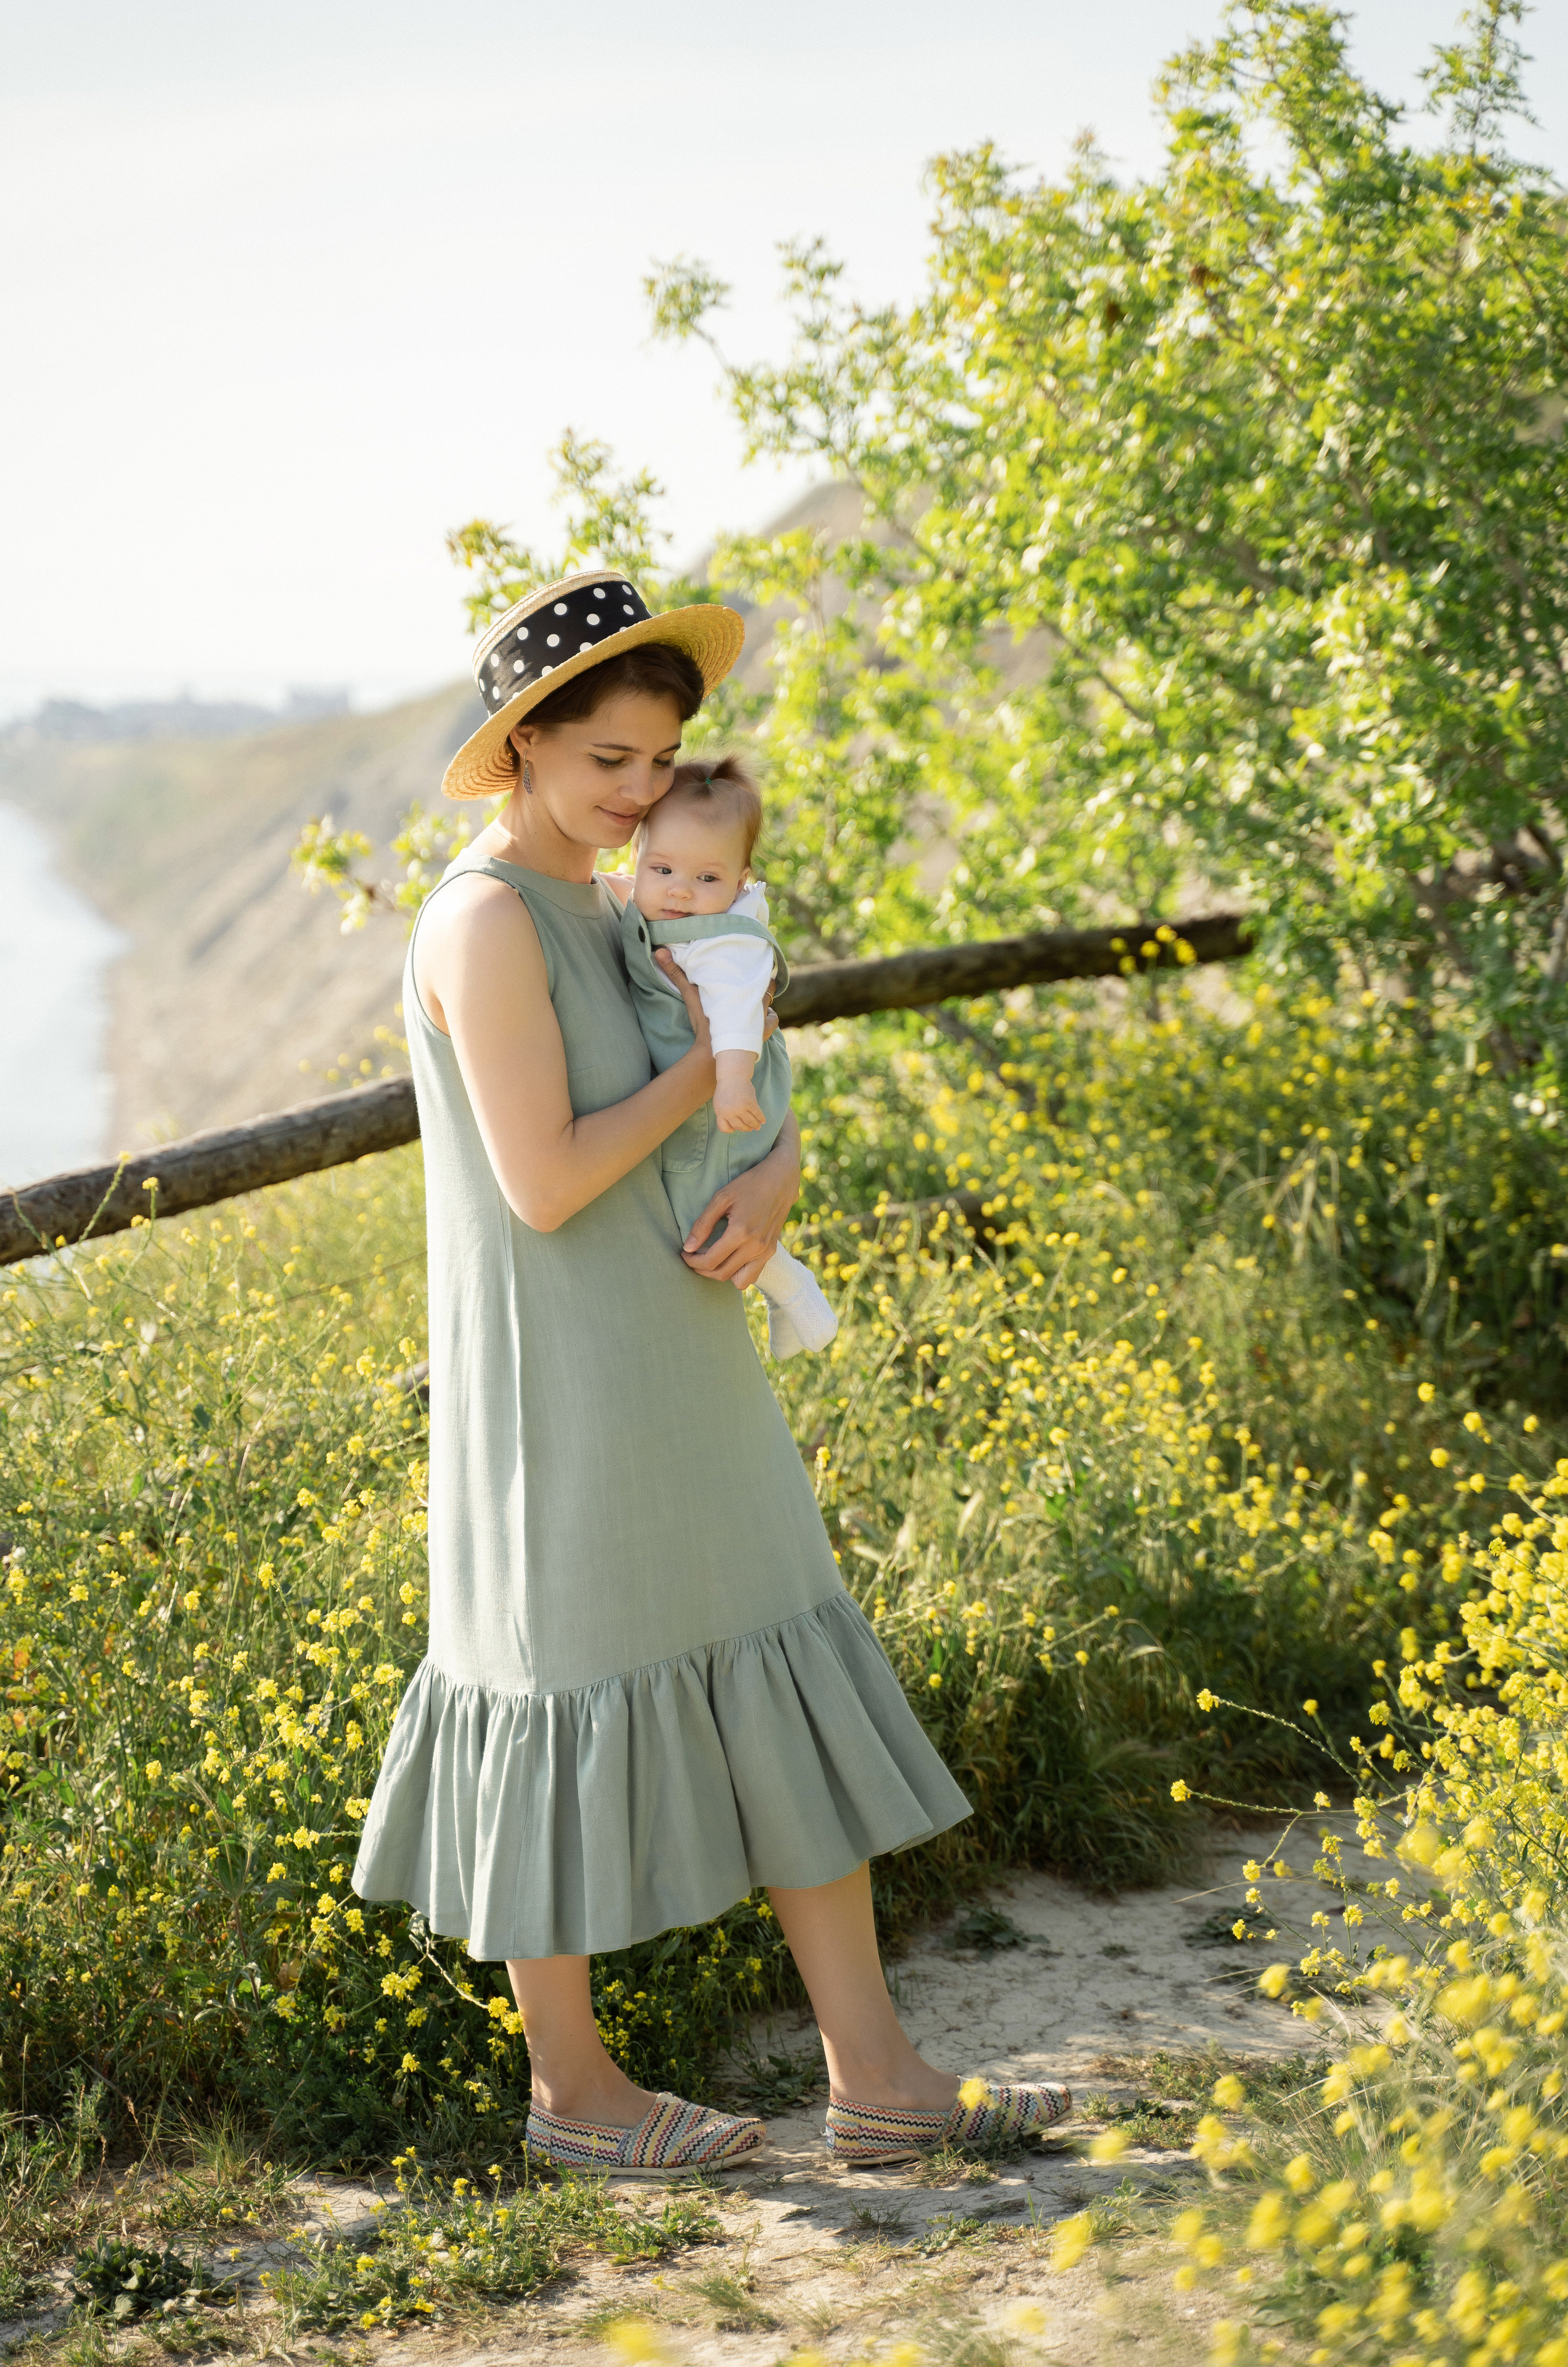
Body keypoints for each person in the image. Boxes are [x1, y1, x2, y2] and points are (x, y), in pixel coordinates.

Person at [351, 568, 1070, 2171]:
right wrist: (705, 1073)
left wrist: (780, 1169)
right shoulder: (482, 920)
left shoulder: (628, 897)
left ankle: (877, 2080)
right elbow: (542, 1180)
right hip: (567, 1383)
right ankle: (575, 2100)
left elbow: (752, 1093)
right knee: (542, 1692)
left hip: (682, 1355)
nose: (637, 792)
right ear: (524, 743)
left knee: (780, 1665)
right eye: (605, 759)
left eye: (659, 761)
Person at [610, 753, 838, 1360]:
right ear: (635, 862)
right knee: (714, 1202)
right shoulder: (657, 902)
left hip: (729, 1093)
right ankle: (785, 1295)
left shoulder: (723, 943)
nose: (681, 890)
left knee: (704, 1215)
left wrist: (732, 1082)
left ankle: (794, 1291)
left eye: (707, 879)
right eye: (662, 869)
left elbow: (739, 1013)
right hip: (710, 1087)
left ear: (740, 881)